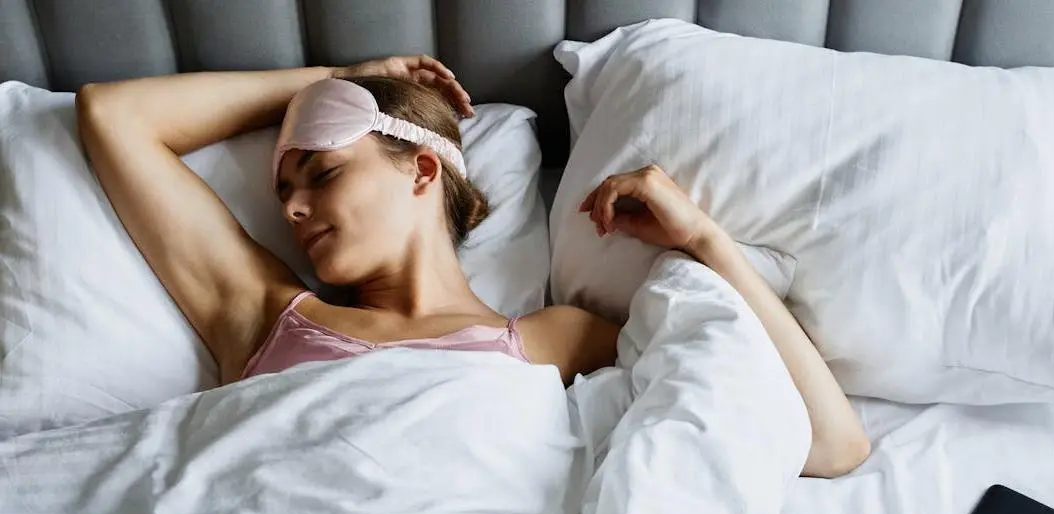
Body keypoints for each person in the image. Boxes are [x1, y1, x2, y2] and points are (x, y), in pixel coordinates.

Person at [75, 56, 869, 477]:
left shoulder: (555, 340)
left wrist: (705, 242)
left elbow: (830, 443)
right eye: (284, 191)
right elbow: (112, 114)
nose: (290, 211)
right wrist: (331, 77)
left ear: (422, 171)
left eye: (321, 174)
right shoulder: (264, 312)